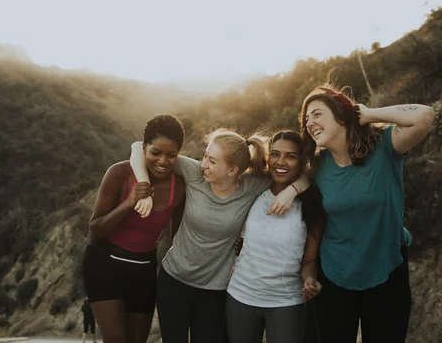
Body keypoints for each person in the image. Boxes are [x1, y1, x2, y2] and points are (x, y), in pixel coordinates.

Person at [130, 128, 310, 343]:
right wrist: (144, 187)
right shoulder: (194, 172)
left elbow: (307, 174)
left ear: (233, 170)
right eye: (205, 155)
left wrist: (292, 190)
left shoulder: (252, 185)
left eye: (212, 161)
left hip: (214, 290)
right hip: (174, 281)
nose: (204, 163)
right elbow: (137, 148)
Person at [299, 84, 434, 343]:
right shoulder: (317, 165)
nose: (309, 122)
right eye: (306, 118)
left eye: (317, 114)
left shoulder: (385, 147)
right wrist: (288, 191)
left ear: (341, 115)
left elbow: (425, 116)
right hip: (335, 274)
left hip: (388, 268)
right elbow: (294, 177)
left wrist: (368, 114)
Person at [82, 114, 187, 343]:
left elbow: (175, 239)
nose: (162, 161)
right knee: (117, 340)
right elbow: (95, 229)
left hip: (143, 271)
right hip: (104, 265)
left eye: (171, 155)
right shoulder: (119, 173)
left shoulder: (179, 188)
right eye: (156, 152)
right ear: (144, 148)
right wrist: (128, 203)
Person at [226, 130, 326, 343]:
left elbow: (309, 260)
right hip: (241, 296)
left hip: (286, 302)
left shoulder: (312, 205)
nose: (281, 162)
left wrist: (309, 280)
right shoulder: (254, 188)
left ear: (301, 161)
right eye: (275, 154)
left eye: (290, 156)